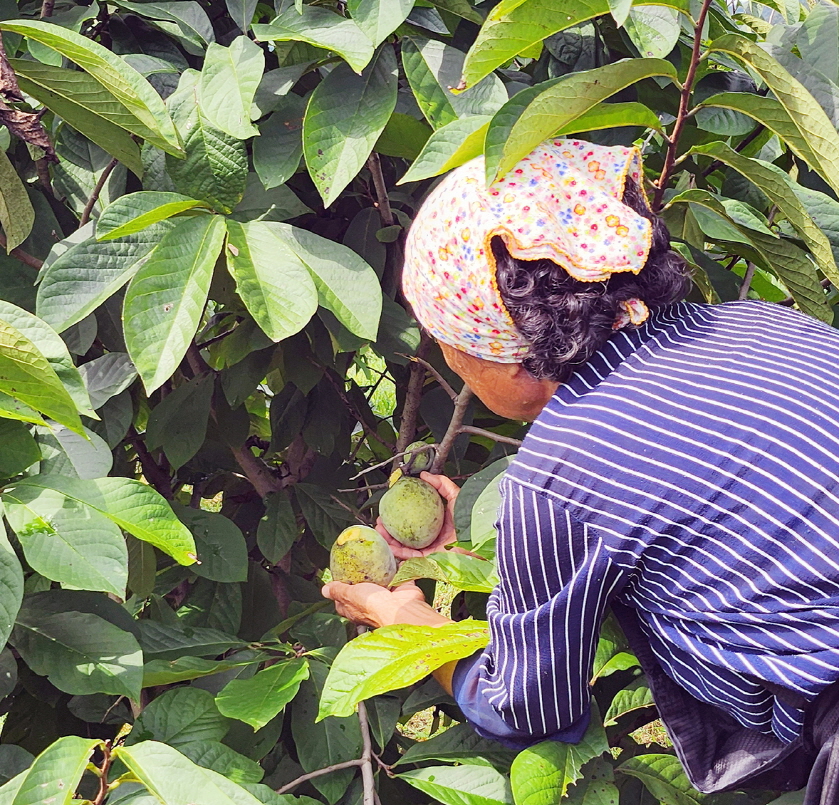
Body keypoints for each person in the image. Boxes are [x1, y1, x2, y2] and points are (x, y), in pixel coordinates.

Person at [322, 139, 839, 801]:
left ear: (505, 358)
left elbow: (529, 708)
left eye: (451, 345)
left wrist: (415, 630)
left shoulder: (557, 472)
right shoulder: (761, 322)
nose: (451, 362)